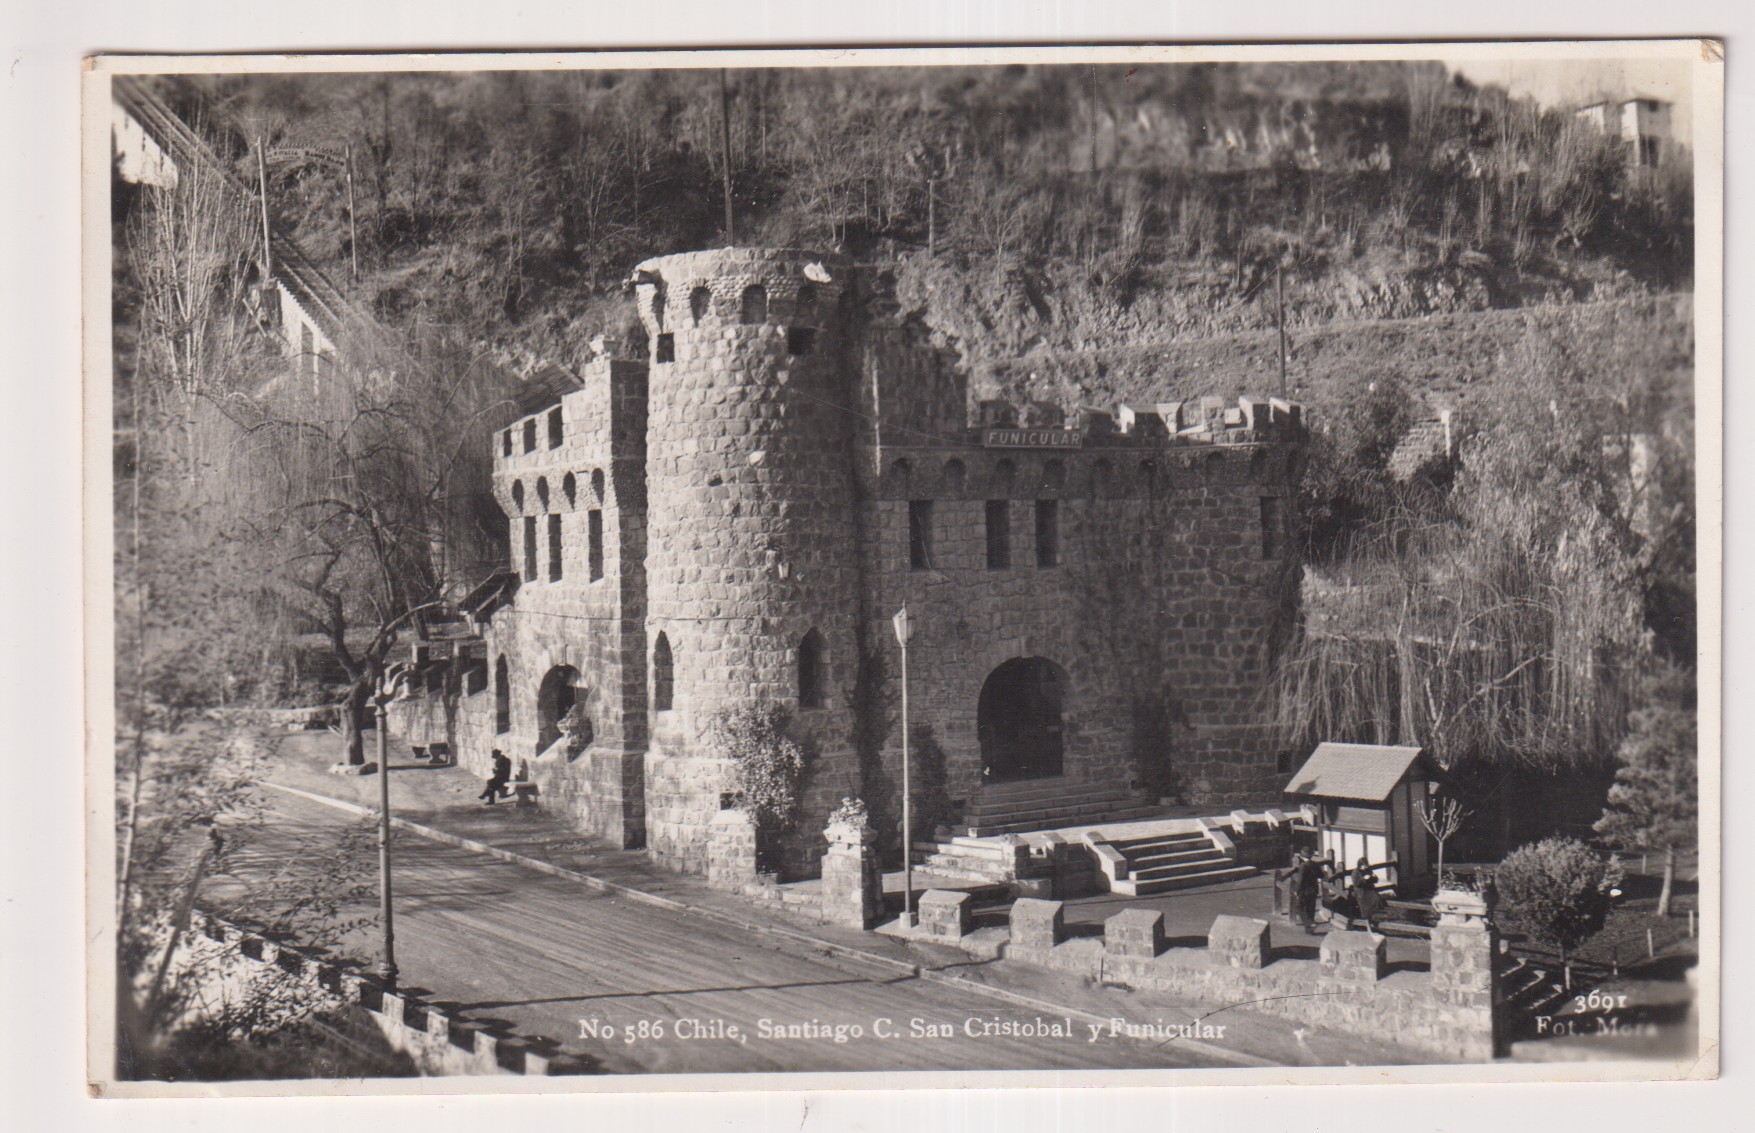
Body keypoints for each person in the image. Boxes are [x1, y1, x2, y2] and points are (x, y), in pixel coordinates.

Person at [1349, 857, 1384, 929]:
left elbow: (1375, 881)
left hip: (1369, 889)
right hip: (1361, 890)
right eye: (1364, 865)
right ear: (1360, 865)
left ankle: (1372, 915)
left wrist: (1374, 877)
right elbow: (1356, 884)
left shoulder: (1368, 870)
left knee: (1376, 899)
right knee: (1365, 904)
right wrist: (1364, 879)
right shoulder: (1355, 872)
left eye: (1366, 865)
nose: (1366, 866)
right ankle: (1366, 919)